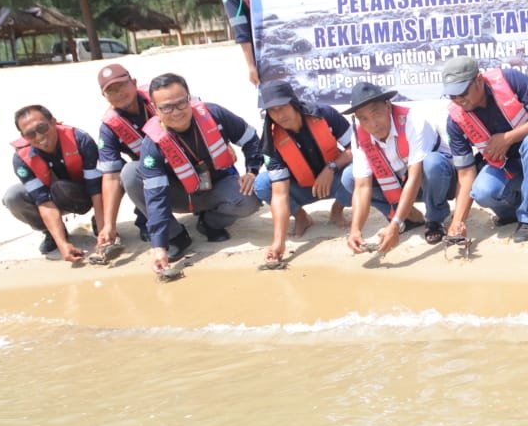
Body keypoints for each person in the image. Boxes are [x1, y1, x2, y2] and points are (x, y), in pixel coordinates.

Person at [136, 73, 263, 276]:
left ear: (190, 98)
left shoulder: (214, 114)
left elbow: (251, 140)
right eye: (167, 107)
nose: (176, 112)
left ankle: (209, 223)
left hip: (218, 187)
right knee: (130, 174)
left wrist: (252, 171)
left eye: (181, 103)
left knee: (250, 199)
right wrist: (159, 246)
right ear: (155, 109)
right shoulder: (152, 144)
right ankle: (175, 235)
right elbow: (156, 198)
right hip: (180, 196)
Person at [443, 55, 528, 243]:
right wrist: (457, 222)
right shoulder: (454, 120)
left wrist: (508, 138)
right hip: (506, 168)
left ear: (478, 79)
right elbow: (466, 173)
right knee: (482, 191)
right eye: (453, 96)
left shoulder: (511, 80)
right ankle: (513, 211)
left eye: (463, 93)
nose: (459, 100)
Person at [342, 82, 456, 255]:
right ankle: (409, 218)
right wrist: (355, 229)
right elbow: (362, 186)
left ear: (388, 106)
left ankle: (435, 218)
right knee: (349, 177)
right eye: (363, 118)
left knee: (432, 163)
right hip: (401, 184)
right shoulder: (359, 136)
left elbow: (415, 176)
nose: (372, 124)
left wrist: (395, 224)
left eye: (376, 113)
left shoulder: (413, 120)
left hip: (437, 181)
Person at [253, 80, 355, 265]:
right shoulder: (271, 140)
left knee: (357, 172)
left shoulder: (325, 114)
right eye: (272, 110)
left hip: (334, 179)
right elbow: (279, 193)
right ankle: (301, 217)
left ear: (294, 102)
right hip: (301, 188)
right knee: (262, 184)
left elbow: (357, 148)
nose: (279, 114)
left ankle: (337, 209)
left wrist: (331, 168)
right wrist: (278, 243)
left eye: (283, 107)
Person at [3, 105, 104, 261]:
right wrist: (62, 243)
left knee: (112, 173)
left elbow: (96, 186)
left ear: (53, 121)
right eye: (30, 134)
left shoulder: (80, 139)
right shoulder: (21, 159)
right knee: (13, 197)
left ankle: (99, 223)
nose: (38, 136)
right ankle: (53, 232)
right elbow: (42, 200)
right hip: (52, 198)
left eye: (42, 127)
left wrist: (104, 225)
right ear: (24, 136)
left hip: (85, 193)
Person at [95, 64, 155, 248]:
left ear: (134, 82)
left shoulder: (158, 97)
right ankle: (146, 217)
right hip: (150, 170)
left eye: (121, 85)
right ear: (104, 96)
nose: (118, 93)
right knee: (128, 171)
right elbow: (111, 177)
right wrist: (108, 225)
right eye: (111, 90)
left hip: (184, 161)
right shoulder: (108, 128)